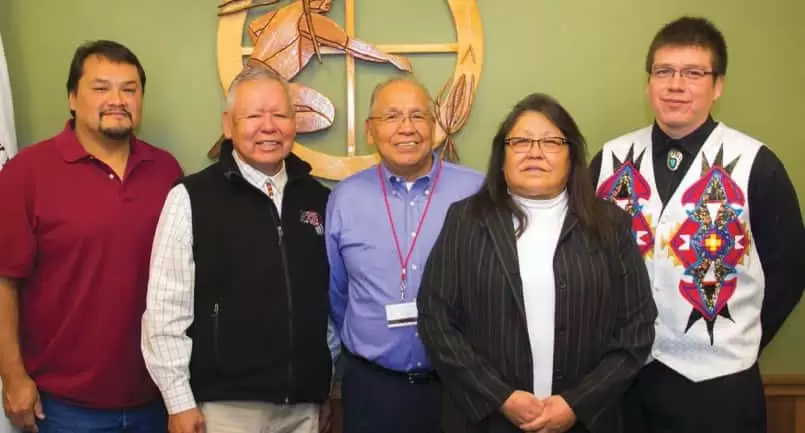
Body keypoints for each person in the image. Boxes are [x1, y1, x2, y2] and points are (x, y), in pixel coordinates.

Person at [590, 16, 805, 433]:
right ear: (649, 82)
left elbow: (791, 269)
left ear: (717, 85)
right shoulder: (610, 160)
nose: (676, 85)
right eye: (663, 71)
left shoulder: (756, 164)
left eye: (693, 73)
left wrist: (739, 336)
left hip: (719, 388)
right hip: (622, 382)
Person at [417, 93, 657, 433]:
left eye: (551, 142)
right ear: (502, 158)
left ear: (572, 157)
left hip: (585, 421)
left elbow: (637, 327)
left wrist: (577, 403)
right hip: (488, 420)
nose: (535, 152)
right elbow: (435, 319)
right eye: (521, 142)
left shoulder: (609, 224)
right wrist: (500, 397)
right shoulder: (466, 220)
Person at [0, 40, 183, 433]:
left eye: (129, 89)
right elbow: (4, 282)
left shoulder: (166, 171)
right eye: (101, 88)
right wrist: (12, 377)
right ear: (72, 98)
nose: (117, 100)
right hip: (61, 406)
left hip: (156, 399)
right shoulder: (26, 173)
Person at [142, 66, 335, 433]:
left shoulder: (318, 199)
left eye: (280, 115)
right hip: (224, 409)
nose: (269, 126)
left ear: (295, 123)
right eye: (254, 116)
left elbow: (325, 304)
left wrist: (322, 385)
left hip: (301, 407)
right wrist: (178, 401)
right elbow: (166, 309)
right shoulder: (191, 198)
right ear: (228, 125)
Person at [326, 76, 484, 433]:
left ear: (434, 126)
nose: (406, 127)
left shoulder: (475, 191)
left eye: (417, 116)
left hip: (458, 387)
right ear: (370, 131)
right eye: (392, 116)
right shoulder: (345, 198)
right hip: (373, 389)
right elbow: (337, 294)